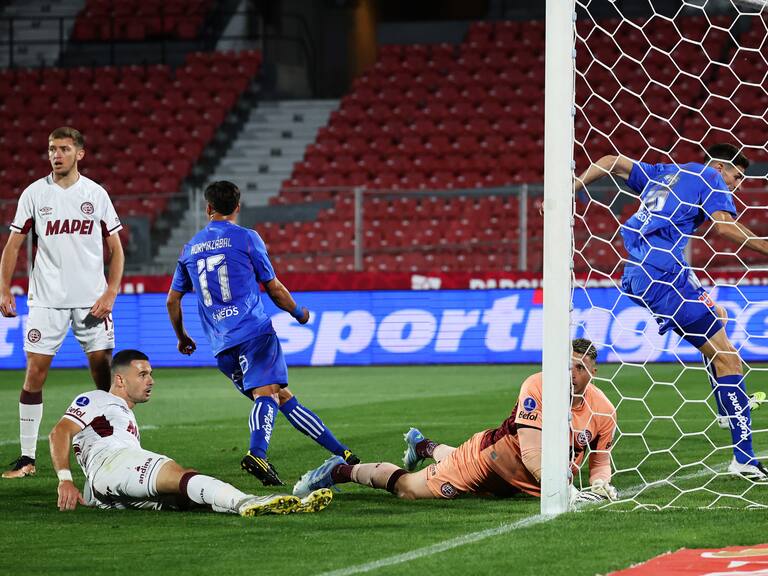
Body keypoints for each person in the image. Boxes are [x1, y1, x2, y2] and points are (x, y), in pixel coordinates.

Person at [575, 144, 768, 480]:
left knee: (719, 315)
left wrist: (573, 185)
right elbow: (724, 226)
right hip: (664, 274)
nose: (737, 184)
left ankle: (726, 408)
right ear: (720, 167)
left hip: (639, 272)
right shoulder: (710, 178)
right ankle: (744, 459)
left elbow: (611, 161)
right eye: (736, 176)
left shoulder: (665, 172)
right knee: (729, 360)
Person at [166, 180, 358, 487]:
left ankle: (342, 452)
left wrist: (182, 337)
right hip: (253, 332)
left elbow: (172, 300)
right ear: (237, 207)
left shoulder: (190, 249)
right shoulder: (246, 238)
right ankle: (257, 453)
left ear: (208, 208)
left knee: (281, 397)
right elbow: (273, 287)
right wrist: (298, 312)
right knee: (267, 395)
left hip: (222, 346)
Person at [293, 339, 618, 504]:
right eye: (567, 365)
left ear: (594, 371)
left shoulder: (603, 410)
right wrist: (564, 490)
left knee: (457, 465)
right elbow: (533, 455)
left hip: (518, 482)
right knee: (409, 489)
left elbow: (600, 462)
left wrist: (600, 484)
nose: (572, 374)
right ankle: (338, 471)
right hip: (487, 463)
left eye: (580, 368)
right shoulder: (538, 385)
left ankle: (423, 446)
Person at [48, 349, 332, 515]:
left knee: (187, 492)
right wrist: (65, 481)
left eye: (151, 374)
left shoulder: (121, 413)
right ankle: (247, 501)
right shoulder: (97, 398)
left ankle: (280, 506)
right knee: (178, 474)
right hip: (114, 464)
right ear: (120, 379)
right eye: (143, 374)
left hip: (106, 485)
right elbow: (60, 432)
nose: (151, 380)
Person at [0, 126, 124, 479]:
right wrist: (4, 288)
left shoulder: (95, 194)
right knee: (34, 373)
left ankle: (117, 446)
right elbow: (13, 245)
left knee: (103, 373)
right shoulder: (34, 193)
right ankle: (27, 457)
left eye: (64, 149)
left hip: (92, 302)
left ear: (80, 153)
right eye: (52, 149)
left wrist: (111, 292)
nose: (56, 155)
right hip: (46, 301)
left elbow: (116, 249)